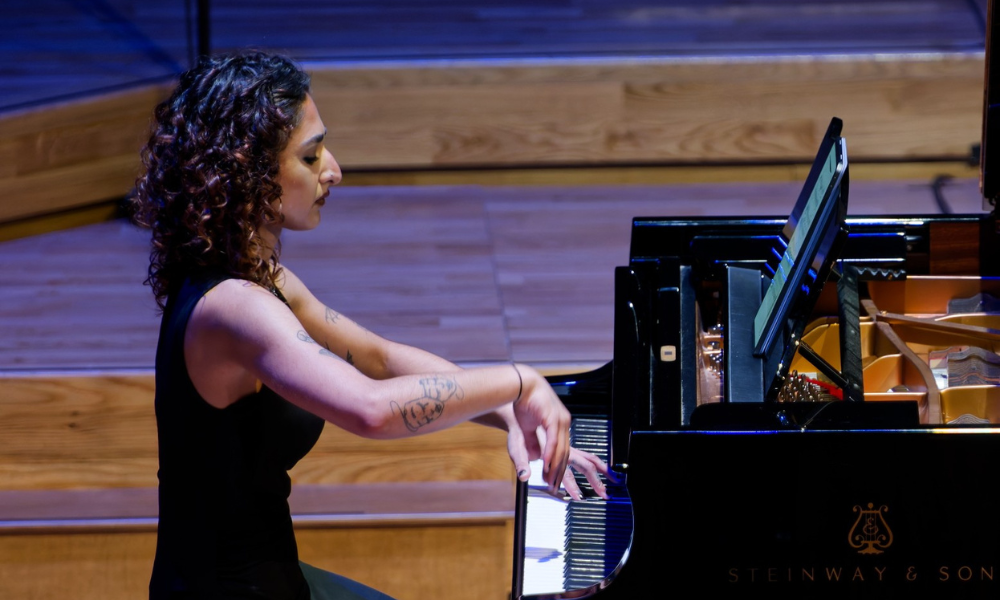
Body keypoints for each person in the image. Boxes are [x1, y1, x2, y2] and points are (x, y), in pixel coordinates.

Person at [129, 51, 610, 600]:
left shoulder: (262, 280)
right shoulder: (235, 309)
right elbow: (372, 410)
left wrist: (511, 415)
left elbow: (377, 359)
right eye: (311, 158)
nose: (333, 169)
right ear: (248, 172)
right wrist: (520, 380)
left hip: (267, 577)